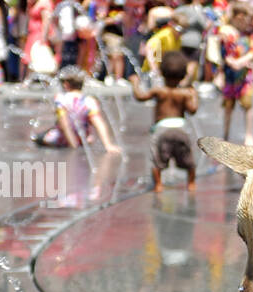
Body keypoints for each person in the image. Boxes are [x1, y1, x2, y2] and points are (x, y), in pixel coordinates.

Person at [131, 51, 199, 192]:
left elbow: (140, 97)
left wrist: (135, 83)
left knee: (157, 160)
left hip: (162, 130)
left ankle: (158, 185)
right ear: (183, 75)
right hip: (181, 129)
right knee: (188, 160)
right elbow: (193, 110)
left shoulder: (158, 91)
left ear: (161, 73)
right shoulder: (185, 93)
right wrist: (195, 95)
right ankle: (191, 183)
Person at [32, 66, 118, 152]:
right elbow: (99, 124)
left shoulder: (61, 99)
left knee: (38, 138)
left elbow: (64, 124)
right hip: (83, 139)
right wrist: (108, 145)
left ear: (66, 84)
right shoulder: (90, 101)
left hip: (62, 139)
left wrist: (73, 146)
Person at [218, 2, 253, 144]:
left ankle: (249, 134)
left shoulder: (249, 34)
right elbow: (225, 54)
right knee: (228, 106)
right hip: (230, 76)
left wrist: (241, 61)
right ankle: (225, 134)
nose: (249, 22)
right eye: (247, 19)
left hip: (245, 76)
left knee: (247, 105)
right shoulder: (227, 33)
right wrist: (233, 63)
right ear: (239, 17)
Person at [23, 0, 54, 79]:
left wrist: (44, 37)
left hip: (39, 34)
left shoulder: (45, 1)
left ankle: (46, 80)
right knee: (30, 57)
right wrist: (29, 5)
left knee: (40, 56)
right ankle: (28, 80)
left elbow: (46, 20)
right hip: (32, 33)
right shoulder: (35, 1)